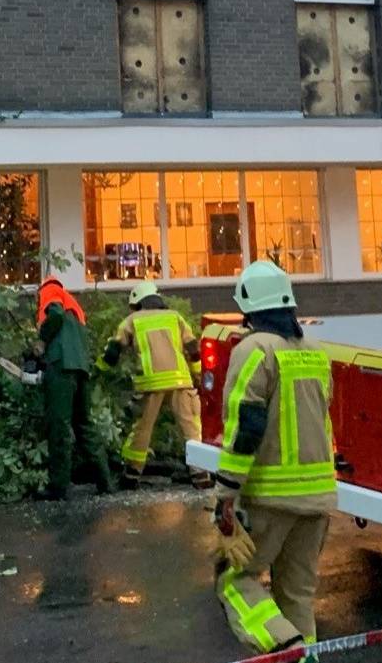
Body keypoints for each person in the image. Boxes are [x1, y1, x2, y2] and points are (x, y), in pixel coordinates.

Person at [213, 261, 334, 653]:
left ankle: (285, 649)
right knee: (296, 595)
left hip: (270, 498)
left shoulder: (253, 349)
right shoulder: (315, 352)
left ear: (247, 307)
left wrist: (225, 498)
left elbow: (245, 428)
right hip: (318, 499)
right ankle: (304, 654)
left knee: (234, 580)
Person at [102, 282, 210, 490]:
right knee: (191, 427)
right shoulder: (174, 317)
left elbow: (114, 349)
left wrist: (101, 370)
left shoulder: (131, 321)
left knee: (142, 428)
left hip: (151, 382)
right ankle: (201, 474)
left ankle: (132, 474)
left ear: (137, 303)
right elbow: (192, 347)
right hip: (180, 379)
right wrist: (197, 373)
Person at [34, 276, 112, 500]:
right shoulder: (75, 304)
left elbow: (55, 314)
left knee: (59, 424)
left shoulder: (50, 290)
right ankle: (105, 480)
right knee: (83, 423)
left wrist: (42, 340)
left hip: (61, 364)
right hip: (81, 366)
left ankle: (57, 486)